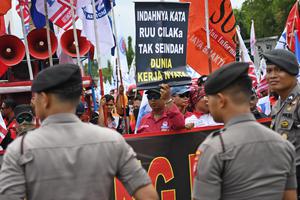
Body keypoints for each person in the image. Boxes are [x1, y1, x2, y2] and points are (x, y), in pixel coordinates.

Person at [0, 64, 158, 200]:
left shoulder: (20, 149)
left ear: (45, 99)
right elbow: (148, 195)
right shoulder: (111, 141)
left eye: (35, 97)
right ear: (77, 98)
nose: (33, 102)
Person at [193, 62, 297, 200]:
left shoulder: (214, 148)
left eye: (209, 97)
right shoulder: (284, 145)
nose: (207, 102)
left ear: (221, 100)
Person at [263, 49, 300, 199]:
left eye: (278, 70)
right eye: (269, 71)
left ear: (292, 72)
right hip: (285, 179)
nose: (272, 76)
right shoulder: (279, 104)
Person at [0, 99, 17, 166]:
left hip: (11, 155)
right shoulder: (2, 121)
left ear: (9, 109)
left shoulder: (17, 123)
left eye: (3, 108)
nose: (1, 110)